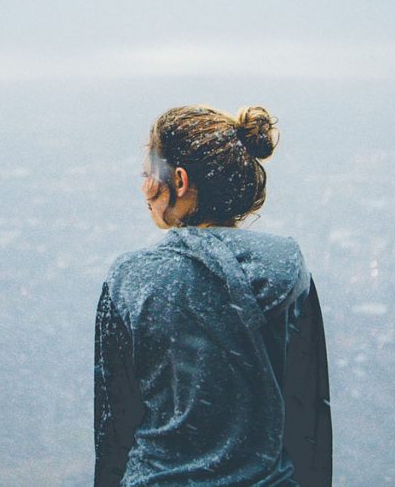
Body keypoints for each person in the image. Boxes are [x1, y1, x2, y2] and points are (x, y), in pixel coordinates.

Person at [94, 105, 332, 486]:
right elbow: (308, 418)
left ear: (181, 180)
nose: (143, 188)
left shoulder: (131, 279)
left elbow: (115, 426)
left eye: (147, 175)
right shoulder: (287, 268)